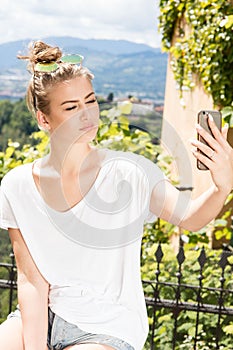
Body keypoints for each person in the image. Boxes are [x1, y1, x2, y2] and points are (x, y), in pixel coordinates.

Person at [0, 40, 232, 350]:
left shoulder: (129, 172)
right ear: (44, 119)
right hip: (46, 315)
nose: (87, 114)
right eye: (71, 107)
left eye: (90, 101)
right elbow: (31, 282)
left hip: (106, 327)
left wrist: (223, 186)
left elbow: (190, 218)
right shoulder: (17, 186)